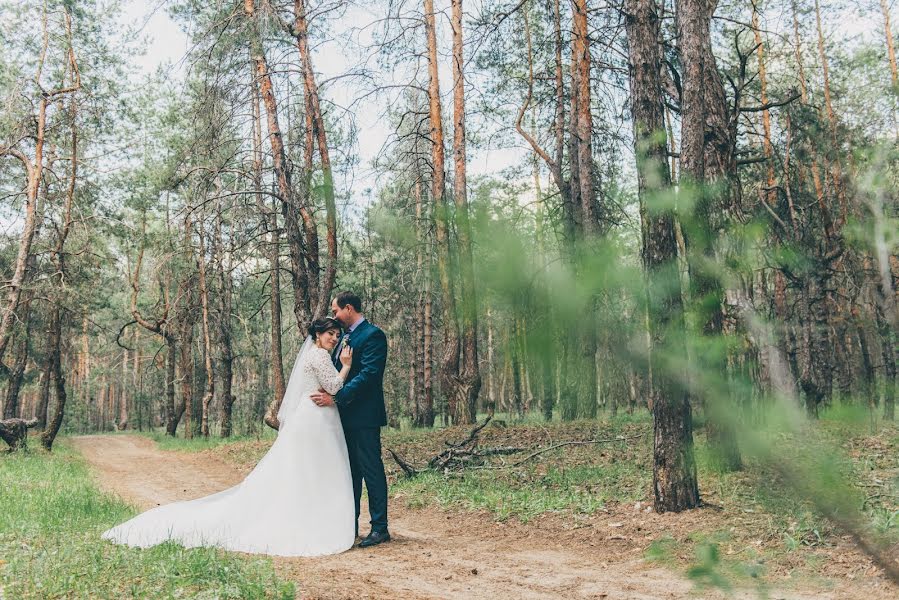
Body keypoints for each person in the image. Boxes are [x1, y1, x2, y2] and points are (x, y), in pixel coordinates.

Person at [102, 318, 356, 557]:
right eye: (329, 334)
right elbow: (334, 387)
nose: (334, 338)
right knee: (312, 470)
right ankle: (310, 521)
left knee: (307, 471)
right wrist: (345, 366)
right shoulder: (320, 355)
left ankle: (309, 518)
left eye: (336, 334)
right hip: (314, 418)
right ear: (317, 335)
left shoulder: (315, 354)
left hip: (314, 416)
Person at [310, 291, 390, 548]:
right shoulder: (343, 337)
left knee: (371, 470)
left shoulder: (373, 335)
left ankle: (380, 528)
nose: (334, 316)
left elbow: (369, 375)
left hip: (365, 416)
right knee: (350, 473)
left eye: (335, 311)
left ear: (348, 308)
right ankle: (350, 524)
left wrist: (338, 398)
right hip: (343, 418)